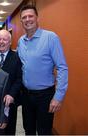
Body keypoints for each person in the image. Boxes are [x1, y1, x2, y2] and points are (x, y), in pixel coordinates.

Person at [17, 5, 68, 135]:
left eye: (30, 16)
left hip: (45, 96)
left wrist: (58, 97)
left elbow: (62, 68)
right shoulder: (20, 41)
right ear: (21, 21)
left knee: (44, 131)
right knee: (28, 130)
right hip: (26, 96)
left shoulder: (51, 38)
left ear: (37, 18)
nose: (27, 19)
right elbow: (21, 64)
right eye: (24, 17)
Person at [0, 29, 22, 135]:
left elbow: (19, 79)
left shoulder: (16, 57)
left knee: (8, 131)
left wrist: (11, 94)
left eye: (4, 39)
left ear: (10, 42)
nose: (1, 41)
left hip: (9, 102)